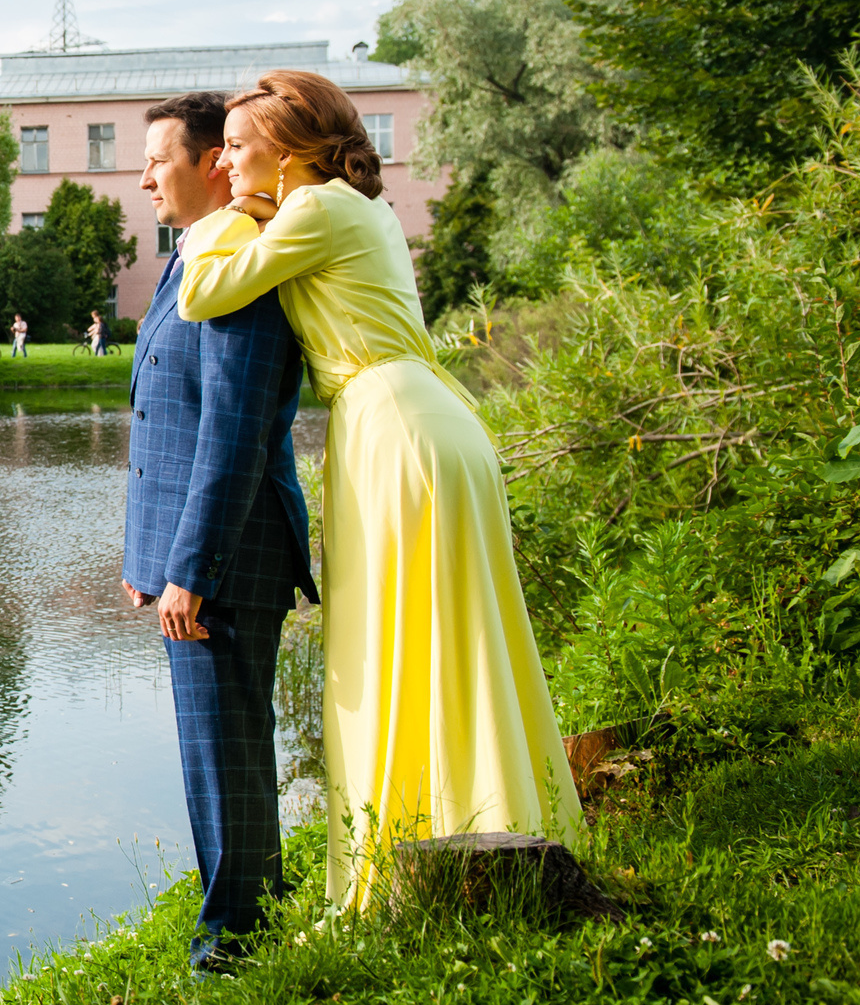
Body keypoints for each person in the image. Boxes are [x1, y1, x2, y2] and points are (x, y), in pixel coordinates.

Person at [176, 69, 584, 908]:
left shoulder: (314, 210)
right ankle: (479, 822)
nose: (224, 166)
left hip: (393, 428)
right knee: (453, 633)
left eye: (241, 150)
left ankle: (420, 852)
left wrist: (227, 217)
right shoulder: (360, 210)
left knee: (394, 637)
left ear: (288, 153)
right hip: (434, 419)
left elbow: (203, 292)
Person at [121, 91, 318, 971]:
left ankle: (234, 944)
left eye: (157, 160)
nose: (142, 178)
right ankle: (251, 914)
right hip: (194, 556)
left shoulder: (240, 265)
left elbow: (231, 433)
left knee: (226, 748)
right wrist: (149, 557)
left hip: (230, 558)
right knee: (217, 748)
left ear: (210, 164)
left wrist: (190, 567)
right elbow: (166, 418)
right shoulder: (194, 257)